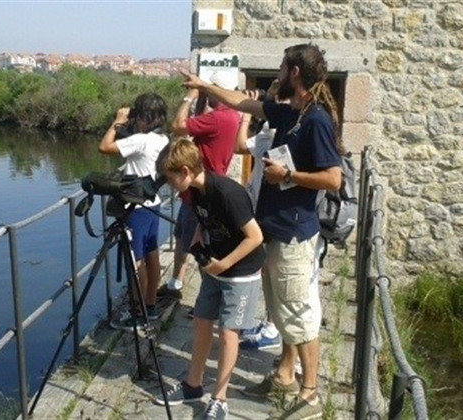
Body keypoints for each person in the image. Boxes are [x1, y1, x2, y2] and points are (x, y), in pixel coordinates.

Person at [181, 44, 343, 420]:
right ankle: (285, 375)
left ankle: (310, 394)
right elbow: (240, 103)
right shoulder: (290, 113)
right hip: (275, 231)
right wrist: (205, 86)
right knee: (281, 310)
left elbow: (334, 178)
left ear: (296, 73)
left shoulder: (316, 119)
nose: (278, 74)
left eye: (283, 68)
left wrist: (287, 175)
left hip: (293, 235)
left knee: (298, 313)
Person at [153, 139, 265, 420]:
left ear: (186, 171)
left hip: (240, 271)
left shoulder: (228, 193)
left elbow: (256, 237)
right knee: (202, 323)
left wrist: (224, 264)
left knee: (229, 334)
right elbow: (205, 222)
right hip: (214, 267)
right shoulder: (196, 192)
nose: (169, 184)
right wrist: (198, 241)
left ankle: (220, 399)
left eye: (170, 178)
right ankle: (193, 384)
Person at [164, 71, 241, 295]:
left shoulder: (217, 118)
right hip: (204, 187)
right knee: (183, 236)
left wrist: (191, 95)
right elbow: (195, 125)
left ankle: (206, 297)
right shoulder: (231, 114)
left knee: (198, 245)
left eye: (209, 87)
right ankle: (176, 282)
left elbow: (178, 126)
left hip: (199, 190)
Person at [98, 93, 169, 330]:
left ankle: (138, 315)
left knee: (135, 262)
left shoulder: (141, 140)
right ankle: (150, 308)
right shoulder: (162, 139)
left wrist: (117, 122)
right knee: (152, 257)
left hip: (136, 209)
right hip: (153, 203)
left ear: (143, 117)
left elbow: (104, 147)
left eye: (137, 116)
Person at [234, 88, 281, 351]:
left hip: (269, 214)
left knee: (272, 275)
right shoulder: (272, 133)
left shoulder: (270, 134)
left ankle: (273, 328)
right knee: (269, 273)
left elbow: (239, 145)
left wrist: (245, 115)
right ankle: (271, 324)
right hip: (267, 212)